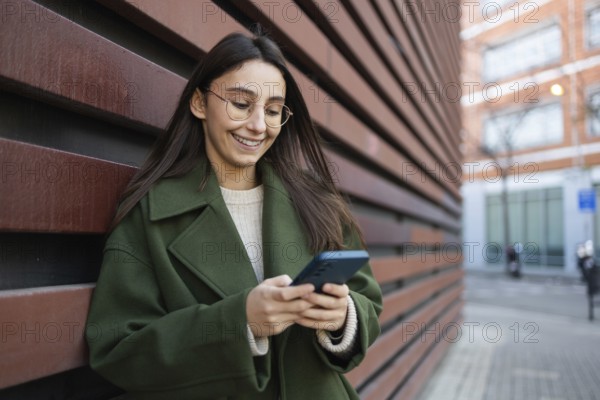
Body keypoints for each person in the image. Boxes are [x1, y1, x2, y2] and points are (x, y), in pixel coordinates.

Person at [86, 31, 382, 400]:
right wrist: (239, 323)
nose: (259, 125)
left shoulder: (317, 199)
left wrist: (343, 318)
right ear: (199, 102)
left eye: (273, 111)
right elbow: (118, 350)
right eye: (241, 104)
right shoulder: (151, 212)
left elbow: (367, 300)